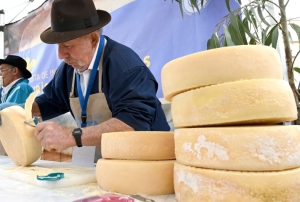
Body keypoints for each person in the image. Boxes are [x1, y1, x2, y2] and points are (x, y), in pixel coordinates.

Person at [29, 0, 170, 164]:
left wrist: (71, 136)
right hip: (103, 164)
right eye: (59, 46)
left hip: (144, 163)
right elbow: (51, 101)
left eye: (68, 45)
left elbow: (134, 121)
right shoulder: (68, 70)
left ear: (93, 39)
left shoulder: (124, 65)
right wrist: (15, 112)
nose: (61, 55)